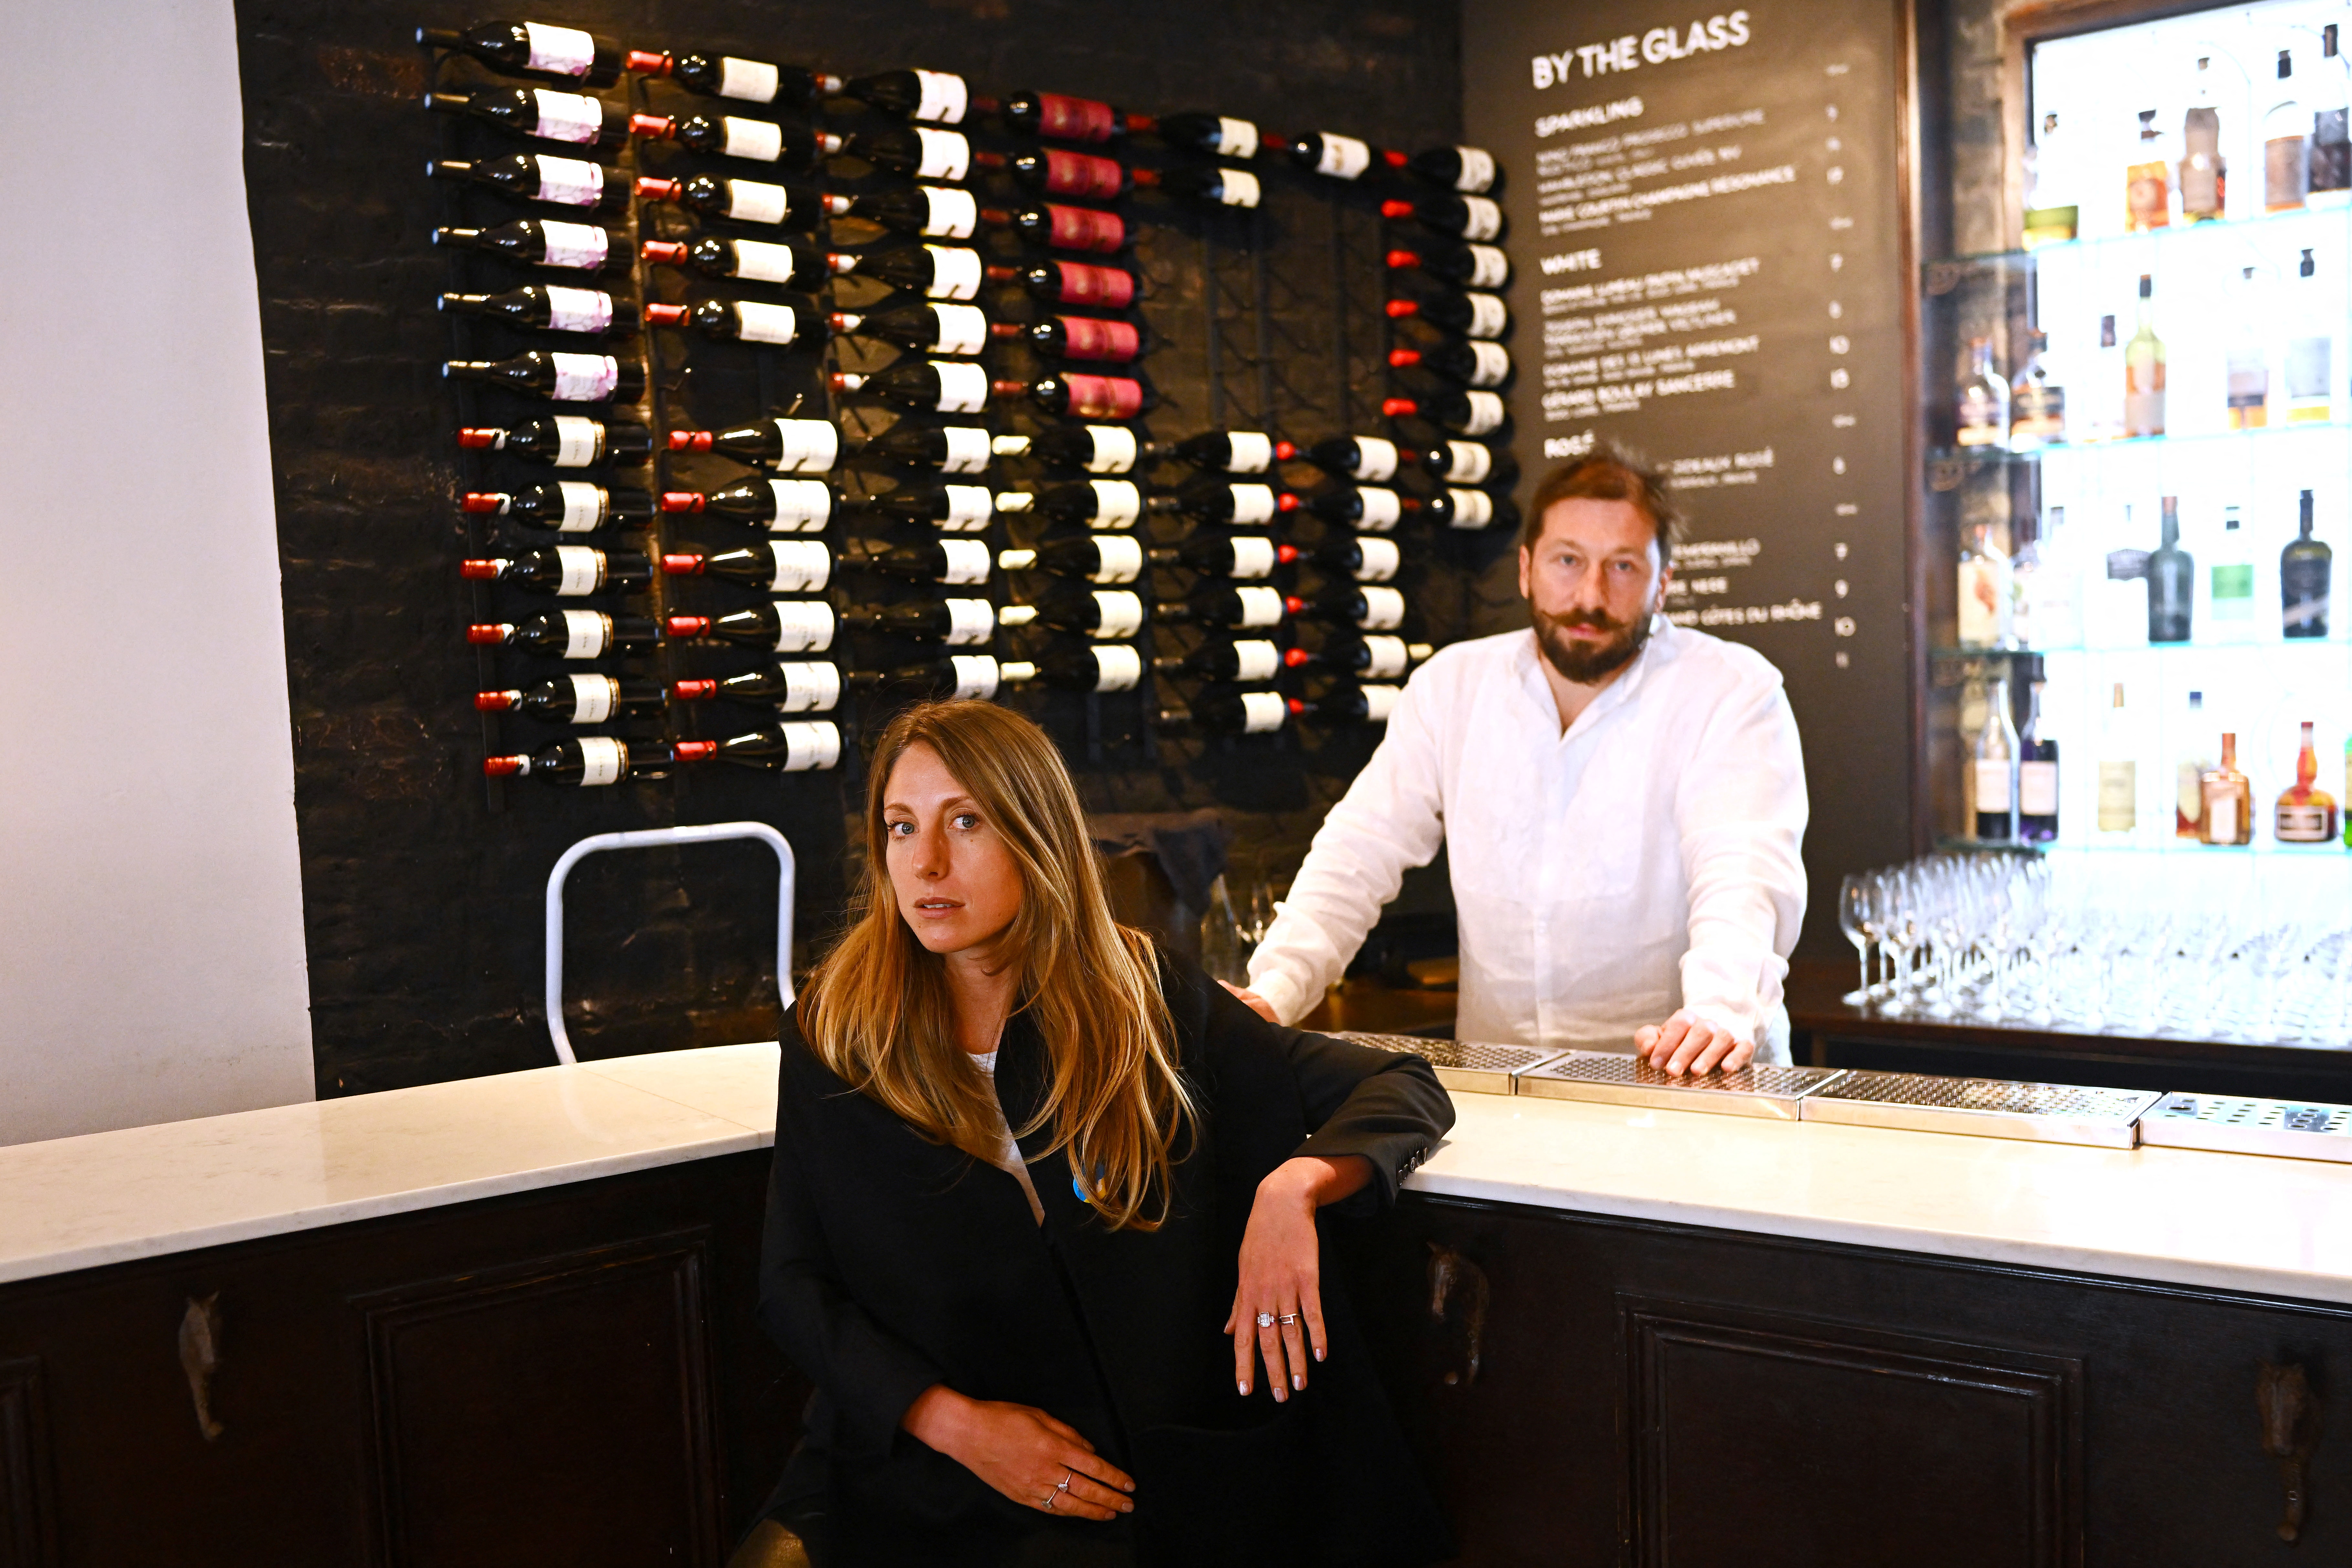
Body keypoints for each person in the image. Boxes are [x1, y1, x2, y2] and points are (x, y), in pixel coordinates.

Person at [755, 700, 1455, 1567]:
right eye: (902, 827)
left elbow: (1402, 1085)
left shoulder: (1145, 996)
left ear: (1037, 834)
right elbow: (791, 1280)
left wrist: (1294, 1187)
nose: (926, 861)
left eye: (965, 821)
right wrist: (954, 1422)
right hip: (926, 1471)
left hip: (1130, 1484)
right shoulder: (834, 1030)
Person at [1237, 444, 1808, 1075]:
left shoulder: (1731, 690)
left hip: (1685, 1077)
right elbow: (1361, 849)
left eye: (1622, 567)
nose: (1589, 596)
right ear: (1525, 569)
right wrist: (1274, 990)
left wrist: (1720, 1010)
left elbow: (1745, 871)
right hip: (1499, 1082)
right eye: (1568, 561)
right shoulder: (1452, 686)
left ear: (1663, 584)